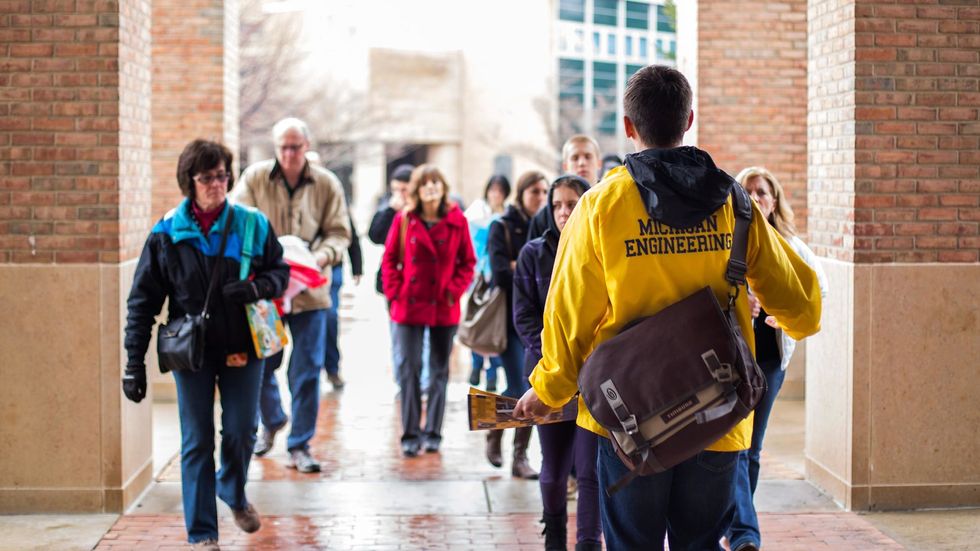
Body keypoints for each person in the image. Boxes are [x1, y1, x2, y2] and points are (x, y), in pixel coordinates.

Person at [513, 65, 823, 550]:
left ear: (629, 126)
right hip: (717, 416)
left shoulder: (600, 207)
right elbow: (804, 306)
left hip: (629, 420)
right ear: (690, 119)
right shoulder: (734, 202)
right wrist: (777, 312)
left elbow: (569, 316)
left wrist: (549, 389)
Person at [123, 140, 289, 550]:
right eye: (207, 177)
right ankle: (202, 535)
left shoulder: (252, 224)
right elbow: (142, 302)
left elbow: (280, 274)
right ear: (188, 182)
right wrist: (133, 363)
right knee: (196, 441)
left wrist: (253, 288)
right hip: (190, 353)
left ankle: (232, 490)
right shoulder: (166, 234)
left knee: (240, 431)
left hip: (242, 349)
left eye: (222, 175)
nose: (217, 184)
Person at [231, 117, 351, 473]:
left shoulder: (327, 183)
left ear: (307, 146)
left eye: (295, 146)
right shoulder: (254, 178)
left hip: (311, 291)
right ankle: (273, 418)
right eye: (283, 146)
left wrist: (320, 256)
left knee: (307, 370)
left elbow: (340, 232)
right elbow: (237, 220)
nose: (289, 153)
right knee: (262, 362)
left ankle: (300, 445)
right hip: (268, 292)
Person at [725, 167, 829, 551]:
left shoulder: (793, 248)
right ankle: (742, 532)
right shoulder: (729, 240)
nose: (755, 199)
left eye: (762, 192)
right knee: (734, 444)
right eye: (748, 192)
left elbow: (819, 290)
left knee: (752, 449)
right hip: (733, 360)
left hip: (770, 362)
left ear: (774, 200)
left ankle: (740, 522)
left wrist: (778, 313)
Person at [513, 174, 600, 551]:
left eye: (572, 203)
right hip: (547, 373)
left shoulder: (600, 246)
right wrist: (554, 356)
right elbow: (524, 315)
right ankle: (554, 539)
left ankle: (588, 542)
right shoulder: (533, 253)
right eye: (557, 205)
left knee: (590, 467)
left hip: (594, 377)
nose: (564, 212)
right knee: (553, 464)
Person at [381, 164, 476, 456]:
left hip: (442, 305)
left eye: (436, 182)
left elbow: (467, 263)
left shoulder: (457, 220)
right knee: (409, 370)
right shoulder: (405, 219)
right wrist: (396, 293)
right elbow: (389, 260)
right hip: (409, 305)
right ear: (417, 190)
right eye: (425, 184)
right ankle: (410, 434)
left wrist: (452, 290)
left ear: (443, 187)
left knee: (438, 371)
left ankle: (433, 432)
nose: (431, 188)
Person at [484, 170, 549, 479]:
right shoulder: (503, 226)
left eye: (543, 191)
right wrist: (526, 268)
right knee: (519, 387)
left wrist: (519, 266)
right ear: (521, 193)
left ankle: (517, 455)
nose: (539, 197)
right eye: (534, 191)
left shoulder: (550, 227)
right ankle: (496, 431)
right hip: (509, 322)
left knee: (532, 387)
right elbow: (498, 272)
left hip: (540, 322)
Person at [463, 174, 510, 391]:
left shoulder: (507, 217)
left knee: (492, 324)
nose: (495, 194)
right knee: (477, 319)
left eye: (499, 191)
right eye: (492, 190)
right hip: (478, 276)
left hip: (496, 278)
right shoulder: (476, 213)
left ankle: (491, 373)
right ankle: (476, 364)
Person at [527, 135, 602, 241]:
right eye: (575, 158)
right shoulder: (545, 216)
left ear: (599, 163)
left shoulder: (608, 203)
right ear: (565, 166)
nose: (581, 163)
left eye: (587, 156)